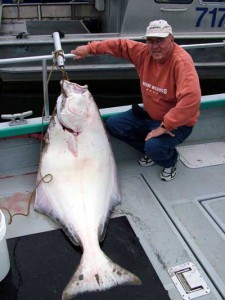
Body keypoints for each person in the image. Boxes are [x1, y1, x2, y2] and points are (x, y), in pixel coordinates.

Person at [71, 19, 201, 181]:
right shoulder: (144, 53)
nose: (155, 46)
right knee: (113, 124)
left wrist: (164, 126)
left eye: (160, 41)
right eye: (150, 41)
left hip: (177, 124)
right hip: (150, 115)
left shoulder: (181, 62)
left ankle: (170, 160)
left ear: (171, 39)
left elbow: (192, 100)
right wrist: (90, 49)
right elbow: (120, 45)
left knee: (155, 146)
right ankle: (151, 151)